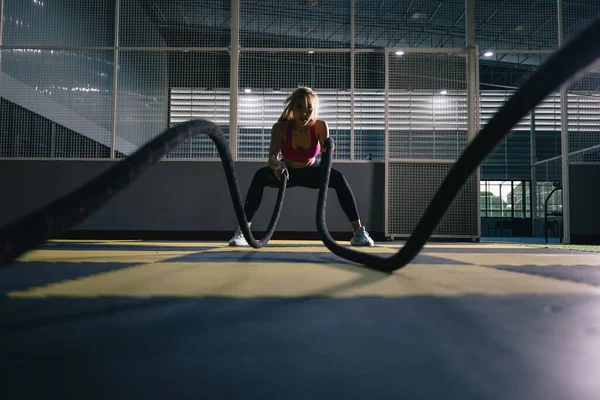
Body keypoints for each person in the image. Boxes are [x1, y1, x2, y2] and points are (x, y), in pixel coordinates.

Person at [228, 87, 374, 247]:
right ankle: (243, 232)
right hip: (285, 172)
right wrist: (278, 165)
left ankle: (359, 233)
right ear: (291, 108)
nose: (304, 113)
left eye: (309, 108)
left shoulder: (320, 126)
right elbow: (271, 158)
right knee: (259, 177)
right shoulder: (280, 128)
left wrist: (328, 149)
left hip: (312, 171)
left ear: (314, 109)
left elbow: (326, 157)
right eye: (299, 107)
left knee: (338, 178)